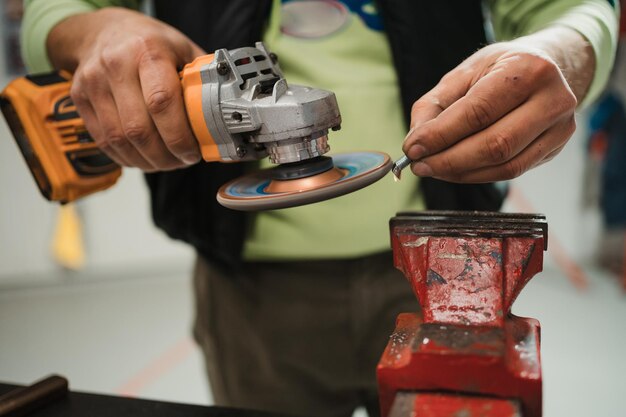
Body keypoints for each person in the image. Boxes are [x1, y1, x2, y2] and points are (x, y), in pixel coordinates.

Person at [21, 1, 619, 416]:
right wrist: (98, 30)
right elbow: (59, 7)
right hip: (249, 299)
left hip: (448, 270)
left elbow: (574, 10)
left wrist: (562, 53)